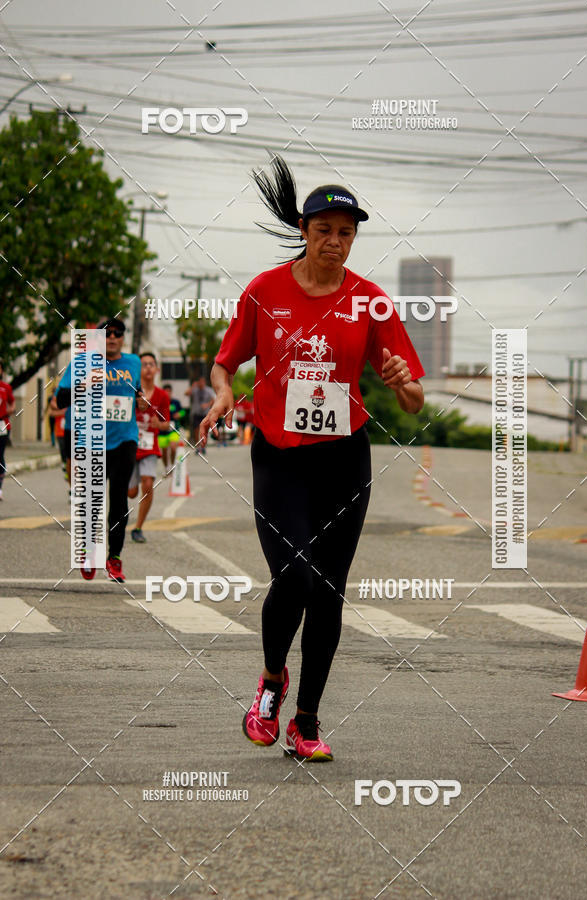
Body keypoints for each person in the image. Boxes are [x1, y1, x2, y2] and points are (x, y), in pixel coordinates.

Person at [199, 156, 425, 762]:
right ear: (304, 230)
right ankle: (272, 681)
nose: (335, 240)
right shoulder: (264, 291)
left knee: (328, 591)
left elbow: (412, 399)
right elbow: (227, 362)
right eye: (324, 229)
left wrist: (404, 382)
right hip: (278, 453)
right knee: (295, 575)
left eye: (346, 232)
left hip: (344, 457)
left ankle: (307, 723)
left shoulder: (371, 302)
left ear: (355, 238)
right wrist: (224, 393)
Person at [55, 318, 141, 582]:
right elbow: (59, 400)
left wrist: (142, 400)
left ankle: (114, 558)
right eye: (107, 334)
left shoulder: (134, 363)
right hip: (91, 440)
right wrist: (84, 385)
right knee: (91, 503)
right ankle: (89, 553)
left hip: (125, 439)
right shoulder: (83, 363)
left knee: (118, 501)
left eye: (117, 333)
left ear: (123, 337)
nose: (112, 338)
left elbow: (136, 393)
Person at [127, 352, 171, 543]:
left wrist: (158, 424)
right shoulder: (130, 391)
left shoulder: (162, 396)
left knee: (147, 484)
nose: (148, 368)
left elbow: (167, 424)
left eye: (151, 364)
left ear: (157, 369)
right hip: (129, 445)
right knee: (131, 492)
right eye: (144, 364)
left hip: (149, 447)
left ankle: (138, 527)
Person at [186, 375, 215, 454]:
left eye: (202, 382)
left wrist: (207, 405)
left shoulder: (209, 390)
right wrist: (192, 386)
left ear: (204, 382)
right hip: (196, 413)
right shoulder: (195, 390)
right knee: (196, 430)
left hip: (205, 414)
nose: (201, 384)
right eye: (200, 382)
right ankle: (198, 447)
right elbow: (186, 393)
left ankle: (203, 446)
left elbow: (213, 400)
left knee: (205, 431)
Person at [159, 384, 184, 473]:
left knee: (173, 447)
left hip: (173, 430)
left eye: (169, 392)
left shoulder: (175, 402)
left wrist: (179, 414)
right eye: (166, 392)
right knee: (164, 451)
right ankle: (167, 467)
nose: (167, 393)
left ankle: (173, 465)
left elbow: (183, 411)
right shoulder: (159, 403)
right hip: (162, 431)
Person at [0, 359, 16, 501]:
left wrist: (10, 410)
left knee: (0, 454)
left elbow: (12, 402)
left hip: (2, 424)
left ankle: (0, 487)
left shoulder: (5, 387)